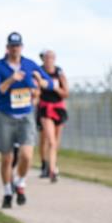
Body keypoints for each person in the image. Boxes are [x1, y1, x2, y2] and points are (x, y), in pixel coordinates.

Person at [0, 32, 55, 208]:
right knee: (7, 158)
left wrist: (41, 81)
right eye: (12, 46)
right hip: (5, 116)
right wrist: (11, 79)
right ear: (7, 47)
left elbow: (50, 83)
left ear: (22, 47)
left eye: (17, 46)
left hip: (26, 115)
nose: (15, 49)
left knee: (26, 155)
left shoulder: (29, 64)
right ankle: (7, 192)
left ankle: (20, 181)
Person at [36, 49, 70, 182]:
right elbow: (35, 89)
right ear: (43, 59)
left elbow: (66, 93)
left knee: (55, 141)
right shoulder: (39, 72)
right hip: (45, 108)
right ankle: (50, 168)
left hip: (58, 108)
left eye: (51, 57)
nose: (49, 60)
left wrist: (54, 87)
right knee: (48, 139)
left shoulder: (59, 72)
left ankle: (51, 164)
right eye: (46, 57)